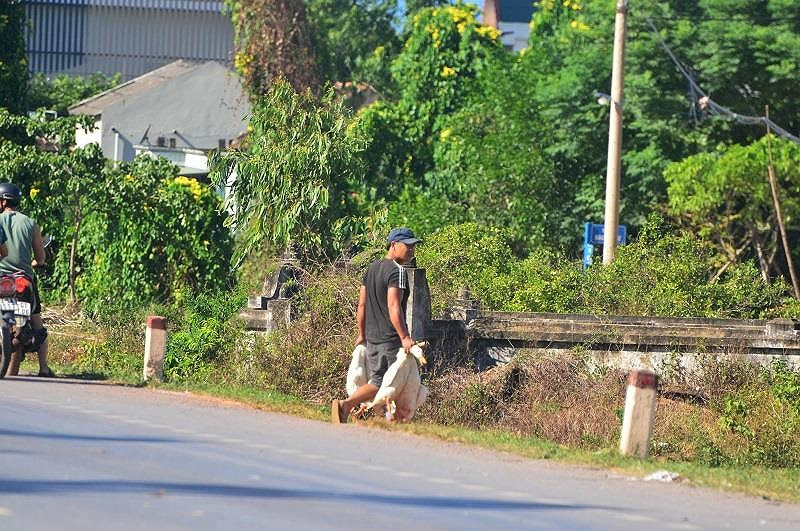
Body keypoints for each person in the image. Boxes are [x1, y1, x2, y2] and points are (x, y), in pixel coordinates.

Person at [331, 227, 422, 423]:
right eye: (408, 246)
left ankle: (385, 420)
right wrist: (405, 337)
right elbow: (393, 306)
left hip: (372, 336)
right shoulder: (397, 272)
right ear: (394, 245)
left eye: (413, 247)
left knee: (384, 382)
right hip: (389, 338)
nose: (411, 250)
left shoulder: (371, 269)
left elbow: (361, 305)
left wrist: (361, 333)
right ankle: (345, 405)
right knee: (384, 381)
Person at [0, 182, 54, 377]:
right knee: (37, 321)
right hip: (24, 280)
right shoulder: (30, 223)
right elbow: (41, 258)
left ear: (3, 202)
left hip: (2, 279)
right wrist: (34, 262)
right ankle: (44, 368)